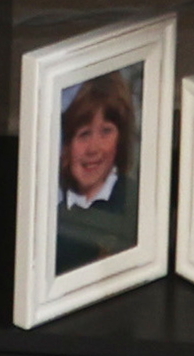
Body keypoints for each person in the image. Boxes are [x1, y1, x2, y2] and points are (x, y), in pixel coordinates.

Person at [51, 63, 141, 274]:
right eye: (84, 134)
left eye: (106, 132)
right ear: (66, 144)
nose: (94, 148)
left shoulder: (134, 202)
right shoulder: (53, 212)